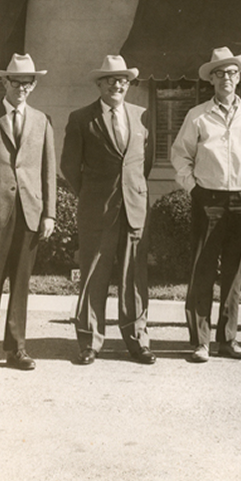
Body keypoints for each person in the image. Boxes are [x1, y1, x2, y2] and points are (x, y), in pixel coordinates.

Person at [170, 46, 241, 363]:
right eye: (219, 73)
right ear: (211, 79)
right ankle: (200, 342)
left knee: (234, 271)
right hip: (209, 200)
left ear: (238, 77)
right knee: (203, 269)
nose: (226, 77)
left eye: (231, 72)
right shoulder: (197, 115)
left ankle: (228, 340)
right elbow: (180, 156)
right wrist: (194, 189)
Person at [0, 53, 57, 374]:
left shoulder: (42, 121)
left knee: (20, 284)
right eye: (15, 81)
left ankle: (16, 349)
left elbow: (48, 171)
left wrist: (50, 214)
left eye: (27, 82)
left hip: (29, 214)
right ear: (5, 82)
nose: (21, 87)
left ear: (33, 85)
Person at [61, 55, 155, 366]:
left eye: (123, 80)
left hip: (134, 208)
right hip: (96, 210)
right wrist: (92, 195)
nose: (117, 85)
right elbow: (69, 167)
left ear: (128, 85)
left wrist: (132, 191)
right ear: (100, 84)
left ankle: (137, 341)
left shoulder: (142, 117)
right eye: (111, 80)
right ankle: (89, 342)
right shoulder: (81, 118)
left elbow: (145, 164)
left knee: (134, 278)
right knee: (93, 276)